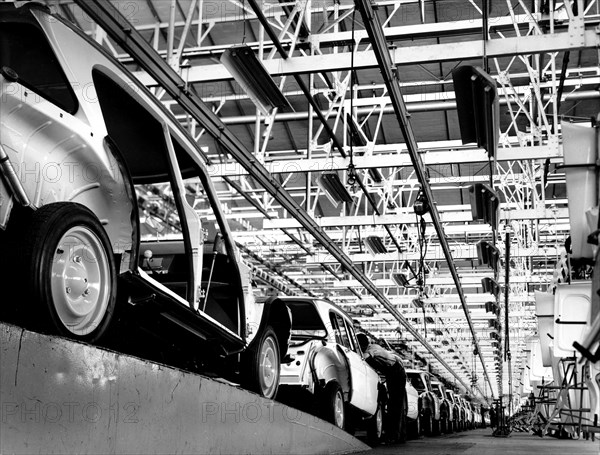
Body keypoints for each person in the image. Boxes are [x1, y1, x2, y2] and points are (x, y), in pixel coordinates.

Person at [357, 333, 407, 444]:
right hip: (391, 372)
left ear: (362, 345)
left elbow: (363, 359)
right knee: (396, 404)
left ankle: (393, 437)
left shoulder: (372, 349)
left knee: (395, 404)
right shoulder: (369, 349)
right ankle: (400, 436)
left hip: (397, 371)